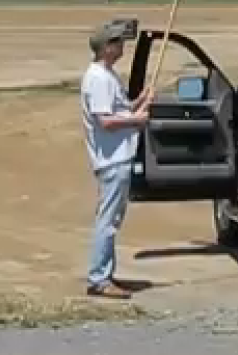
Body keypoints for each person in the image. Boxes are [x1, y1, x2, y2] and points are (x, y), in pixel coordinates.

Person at [81, 19, 152, 298]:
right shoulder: (98, 78)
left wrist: (139, 102)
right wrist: (137, 120)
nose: (122, 46)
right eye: (118, 42)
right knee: (108, 221)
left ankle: (104, 273)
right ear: (106, 47)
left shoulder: (107, 76)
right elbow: (106, 121)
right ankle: (99, 278)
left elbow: (117, 111)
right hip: (112, 159)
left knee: (112, 219)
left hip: (118, 157)